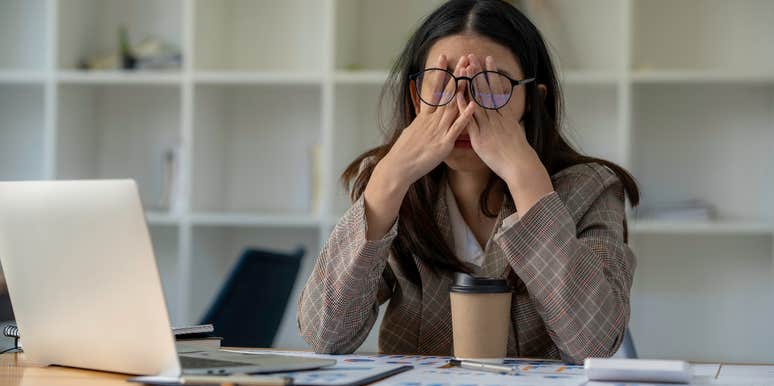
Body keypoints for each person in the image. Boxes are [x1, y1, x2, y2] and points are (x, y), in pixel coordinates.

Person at [297, 0, 638, 364]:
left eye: (492, 88)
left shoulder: (591, 188)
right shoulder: (392, 186)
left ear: (532, 102)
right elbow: (325, 336)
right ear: (416, 98)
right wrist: (388, 181)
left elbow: (594, 345)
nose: (464, 109)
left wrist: (528, 182)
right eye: (443, 86)